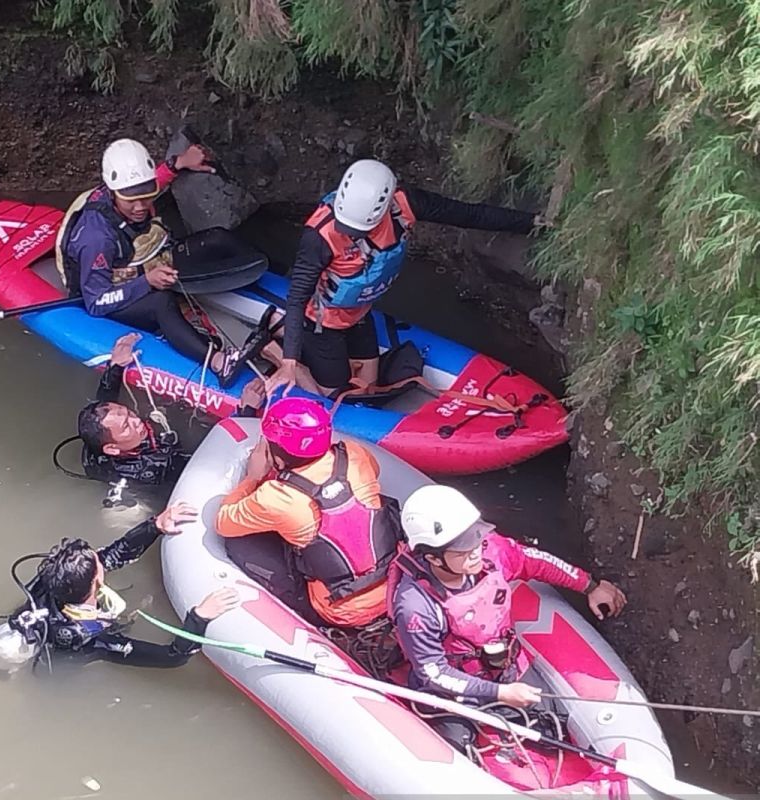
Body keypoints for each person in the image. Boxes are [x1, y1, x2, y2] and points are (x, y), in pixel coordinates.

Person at [267, 159, 548, 397]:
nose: (347, 232)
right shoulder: (319, 237)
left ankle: (286, 338)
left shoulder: (406, 204)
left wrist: (532, 222)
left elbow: (468, 214)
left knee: (367, 386)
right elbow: (297, 296)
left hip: (358, 312)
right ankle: (278, 349)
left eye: (356, 229)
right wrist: (291, 361)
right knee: (337, 391)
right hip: (320, 321)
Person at [388, 484, 628, 756]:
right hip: (452, 691)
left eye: (476, 539)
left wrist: (590, 586)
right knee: (458, 746)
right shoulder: (415, 606)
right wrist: (500, 693)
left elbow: (536, 561)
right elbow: (434, 673)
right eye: (463, 549)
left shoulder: (492, 552)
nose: (476, 550)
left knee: (556, 726)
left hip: (506, 665)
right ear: (433, 557)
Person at [57, 138, 262, 385]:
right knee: (161, 302)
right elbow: (96, 302)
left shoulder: (131, 188)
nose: (140, 206)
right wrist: (147, 283)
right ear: (113, 192)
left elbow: (151, 182)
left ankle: (267, 293)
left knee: (218, 238)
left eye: (146, 197)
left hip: (147, 262)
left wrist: (179, 163)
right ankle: (219, 362)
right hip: (112, 292)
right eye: (131, 200)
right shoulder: (96, 238)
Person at [215, 397, 402, 633]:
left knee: (238, 543)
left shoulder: (276, 497)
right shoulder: (355, 455)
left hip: (337, 610)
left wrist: (252, 477)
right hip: (395, 583)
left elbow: (223, 522)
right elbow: (375, 473)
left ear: (279, 457)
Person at [0, 501, 240, 670]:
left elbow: (113, 555)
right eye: (99, 564)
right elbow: (173, 658)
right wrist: (199, 617)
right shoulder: (88, 639)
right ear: (97, 580)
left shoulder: (51, 580)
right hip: (65, 665)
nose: (103, 559)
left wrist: (154, 526)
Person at [76, 332, 269, 490]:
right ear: (112, 449)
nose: (135, 420)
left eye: (128, 413)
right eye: (127, 426)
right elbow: (216, 460)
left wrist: (115, 366)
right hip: (166, 479)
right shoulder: (154, 467)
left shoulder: (107, 429)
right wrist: (246, 411)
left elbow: (105, 402)